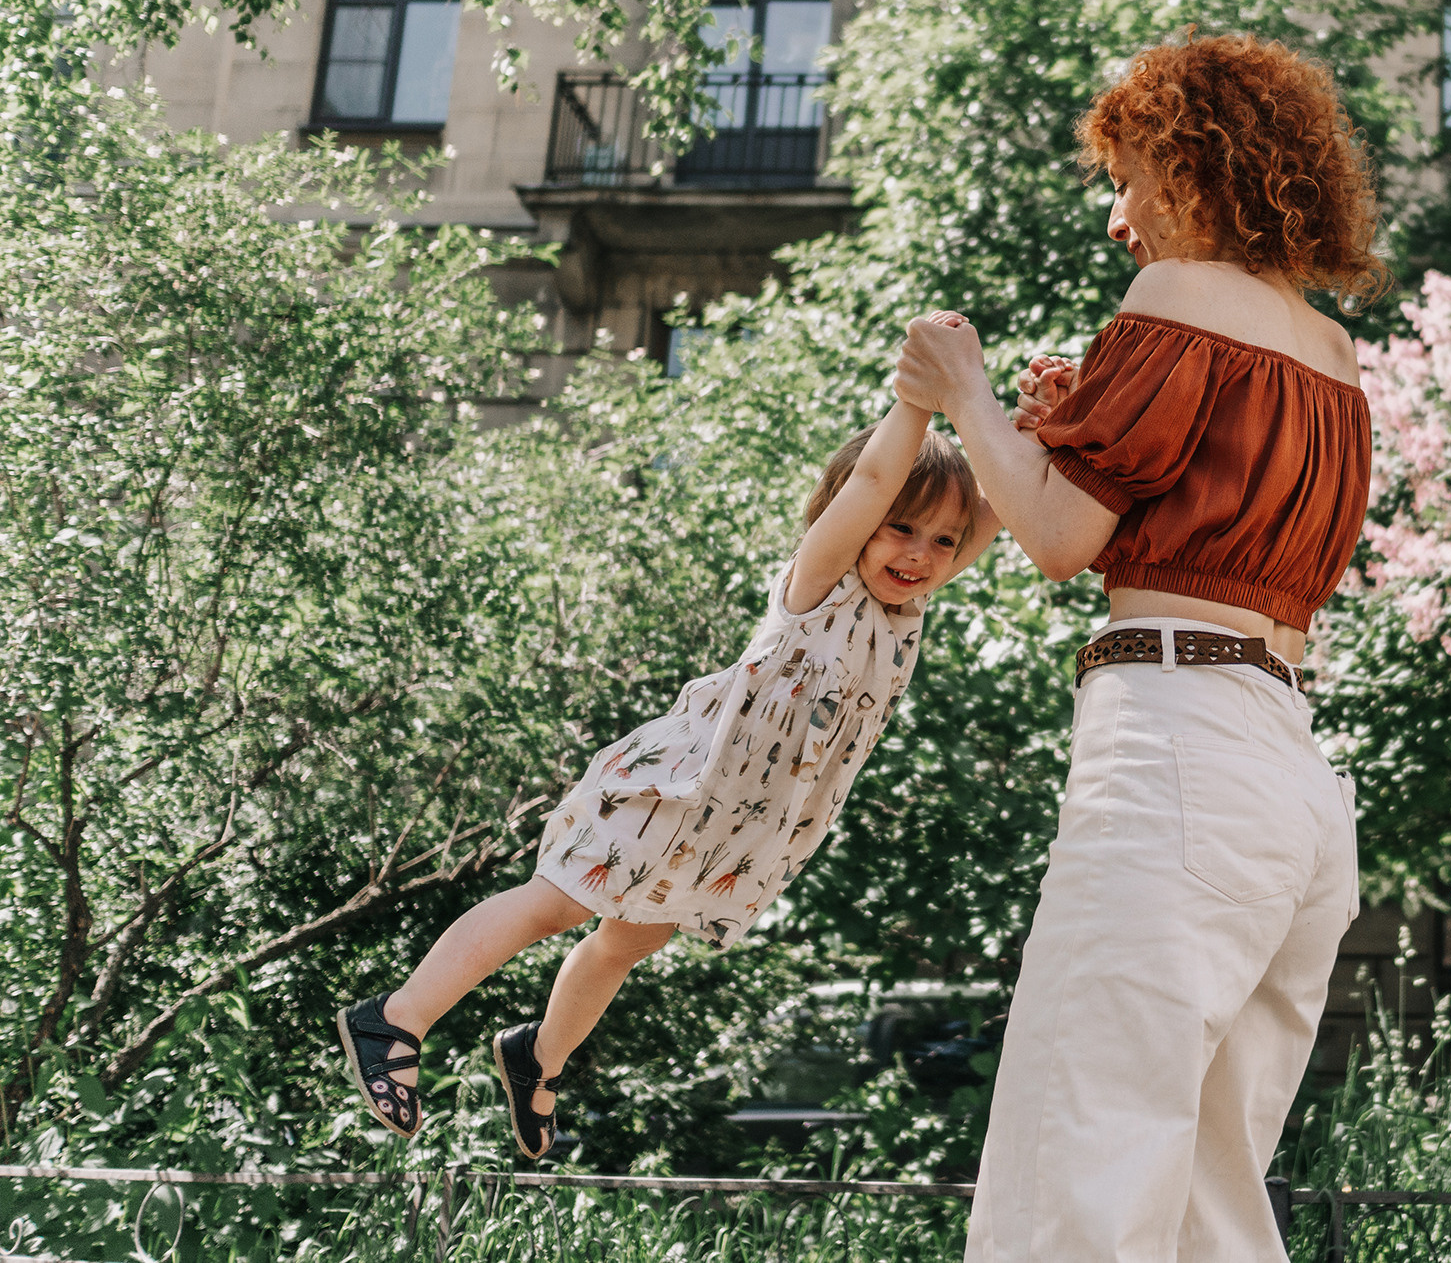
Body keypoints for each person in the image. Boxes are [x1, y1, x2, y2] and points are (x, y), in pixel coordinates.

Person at [893, 33, 1383, 1263]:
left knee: (1082, 1159)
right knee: (1211, 1206)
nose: (1117, 221)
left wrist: (967, 391)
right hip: (1291, 787)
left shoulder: (1177, 301)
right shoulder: (1332, 355)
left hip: (1179, 743)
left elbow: (1059, 536)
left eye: (1127, 177)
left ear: (1192, 165)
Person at [334, 347, 999, 1159]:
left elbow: (993, 508)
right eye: (901, 528)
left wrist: (1025, 424)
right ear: (854, 519)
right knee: (556, 904)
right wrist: (921, 398)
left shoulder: (911, 608)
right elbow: (867, 486)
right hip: (679, 787)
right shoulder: (820, 583)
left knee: (629, 940)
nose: (920, 554)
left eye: (941, 542)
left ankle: (536, 1057)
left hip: (739, 829)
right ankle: (395, 1017)